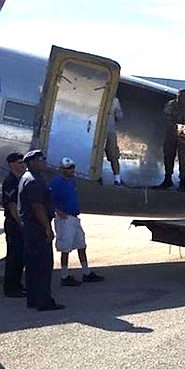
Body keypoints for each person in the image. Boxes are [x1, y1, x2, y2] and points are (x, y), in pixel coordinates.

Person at [18, 150, 64, 311]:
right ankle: (44, 301)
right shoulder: (34, 181)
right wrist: (47, 228)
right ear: (31, 162)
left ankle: (33, 299)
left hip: (30, 228)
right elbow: (38, 206)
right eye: (41, 159)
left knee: (32, 266)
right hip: (38, 228)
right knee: (43, 266)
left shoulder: (27, 178)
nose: (44, 161)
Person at [50, 157, 105, 286]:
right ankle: (64, 276)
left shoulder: (72, 180)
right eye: (68, 168)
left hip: (74, 217)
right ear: (62, 169)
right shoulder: (56, 182)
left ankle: (86, 272)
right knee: (65, 247)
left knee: (81, 244)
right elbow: (48, 199)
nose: (71, 170)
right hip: (65, 219)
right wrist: (58, 211)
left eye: (72, 167)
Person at [158, 89, 185, 191]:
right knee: (168, 156)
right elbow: (165, 115)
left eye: (183, 97)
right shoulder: (171, 104)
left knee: (183, 159)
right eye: (179, 96)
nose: (181, 99)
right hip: (171, 132)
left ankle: (182, 182)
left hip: (183, 135)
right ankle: (168, 179)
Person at [3, 152, 26, 297]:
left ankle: (17, 284)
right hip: (14, 223)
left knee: (21, 256)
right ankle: (10, 288)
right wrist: (20, 223)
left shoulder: (21, 180)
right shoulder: (10, 181)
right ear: (12, 165)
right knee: (14, 256)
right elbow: (12, 205)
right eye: (20, 162)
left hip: (20, 223)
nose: (23, 165)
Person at [106, 96, 124, 186]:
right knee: (113, 155)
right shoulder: (115, 100)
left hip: (96, 130)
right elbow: (119, 116)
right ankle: (117, 179)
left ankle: (96, 177)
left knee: (94, 153)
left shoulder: (95, 97)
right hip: (110, 130)